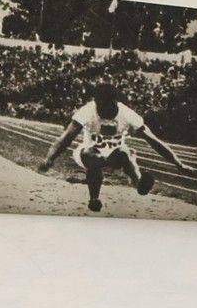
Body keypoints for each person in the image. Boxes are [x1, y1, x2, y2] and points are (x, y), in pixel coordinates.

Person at [37, 81, 183, 213]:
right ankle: (94, 199)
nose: (101, 110)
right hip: (88, 151)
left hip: (115, 154)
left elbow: (153, 140)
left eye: (104, 105)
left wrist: (178, 163)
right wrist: (50, 158)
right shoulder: (88, 110)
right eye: (98, 106)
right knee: (93, 155)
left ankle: (139, 183)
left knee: (126, 154)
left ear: (114, 102)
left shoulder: (126, 113)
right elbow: (66, 137)